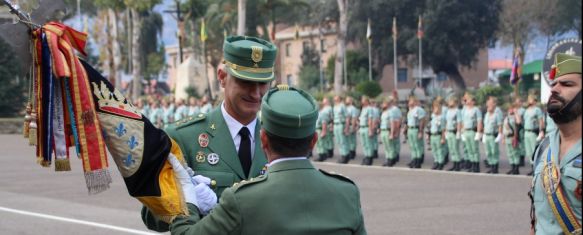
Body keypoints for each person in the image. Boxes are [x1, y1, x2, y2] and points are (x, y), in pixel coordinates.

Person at [170, 85, 368, 235]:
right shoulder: (347, 193)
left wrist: (188, 197)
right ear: (314, 141)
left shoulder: (241, 200)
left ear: (263, 139)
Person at [141, 36, 276, 232]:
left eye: (263, 83)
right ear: (222, 77)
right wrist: (185, 199)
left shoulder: (279, 136)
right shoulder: (184, 137)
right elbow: (150, 218)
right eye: (245, 82)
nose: (255, 93)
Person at [530, 53, 581, 235]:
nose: (554, 89)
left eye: (567, 84)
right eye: (554, 84)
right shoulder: (544, 148)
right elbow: (538, 218)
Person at [524, 94, 545, 175]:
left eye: (530, 99)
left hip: (533, 132)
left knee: (534, 151)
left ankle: (536, 169)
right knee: (529, 152)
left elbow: (541, 121)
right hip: (526, 132)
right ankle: (532, 168)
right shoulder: (526, 110)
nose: (529, 100)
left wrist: (541, 131)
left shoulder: (537, 110)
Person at [460, 94, 483, 173]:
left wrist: (478, 132)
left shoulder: (476, 110)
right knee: (469, 149)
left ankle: (476, 166)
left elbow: (479, 121)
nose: (467, 101)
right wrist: (462, 131)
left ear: (473, 101)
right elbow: (463, 121)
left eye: (468, 99)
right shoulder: (465, 110)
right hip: (466, 131)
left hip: (472, 131)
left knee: (474, 149)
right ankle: (472, 165)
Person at [482, 96, 503, 174]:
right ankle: (491, 166)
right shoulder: (487, 114)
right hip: (487, 135)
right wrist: (483, 134)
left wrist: (500, 134)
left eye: (490, 102)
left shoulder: (497, 113)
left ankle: (495, 168)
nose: (488, 104)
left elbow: (500, 124)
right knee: (488, 152)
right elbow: (485, 125)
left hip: (493, 135)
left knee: (494, 151)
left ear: (494, 104)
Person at [405, 96, 426, 168]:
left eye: (411, 101)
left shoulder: (418, 109)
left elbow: (422, 121)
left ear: (415, 101)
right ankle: (414, 159)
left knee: (417, 145)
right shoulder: (410, 110)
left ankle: (418, 160)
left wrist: (420, 131)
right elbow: (408, 121)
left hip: (416, 129)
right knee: (412, 145)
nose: (409, 103)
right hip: (410, 129)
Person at [502, 104, 521, 175]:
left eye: (512, 109)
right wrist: (503, 138)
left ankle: (516, 169)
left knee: (515, 153)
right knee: (510, 153)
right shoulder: (506, 118)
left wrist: (516, 113)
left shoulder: (515, 117)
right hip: (507, 137)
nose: (510, 110)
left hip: (513, 137)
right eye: (509, 109)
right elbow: (504, 128)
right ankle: (512, 167)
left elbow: (519, 122)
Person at [445, 96, 462, 171]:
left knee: (455, 148)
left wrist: (458, 131)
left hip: (454, 131)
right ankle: (454, 164)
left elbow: (459, 122)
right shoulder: (448, 111)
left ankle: (457, 165)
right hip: (449, 131)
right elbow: (447, 121)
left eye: (450, 101)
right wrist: (445, 131)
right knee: (451, 148)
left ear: (455, 102)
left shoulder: (457, 111)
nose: (449, 103)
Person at [428, 99, 446, 170]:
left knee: (439, 150)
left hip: (438, 135)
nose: (434, 109)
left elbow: (443, 129)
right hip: (433, 135)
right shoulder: (433, 117)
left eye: (436, 108)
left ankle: (440, 162)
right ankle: (436, 161)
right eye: (434, 108)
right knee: (434, 149)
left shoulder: (441, 117)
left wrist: (443, 138)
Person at [334, 96, 351, 164]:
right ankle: (342, 155)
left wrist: (346, 128)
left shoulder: (342, 106)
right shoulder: (335, 106)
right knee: (338, 141)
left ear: (339, 99)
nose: (334, 99)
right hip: (336, 124)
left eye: (336, 98)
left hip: (341, 124)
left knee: (343, 141)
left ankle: (345, 155)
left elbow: (347, 117)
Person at [359, 96, 375, 165]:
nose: (362, 101)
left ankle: (369, 157)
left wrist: (370, 130)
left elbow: (370, 120)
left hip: (366, 128)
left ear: (366, 101)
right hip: (361, 128)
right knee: (364, 144)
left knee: (368, 144)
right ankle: (366, 156)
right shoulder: (363, 109)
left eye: (363, 100)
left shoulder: (369, 109)